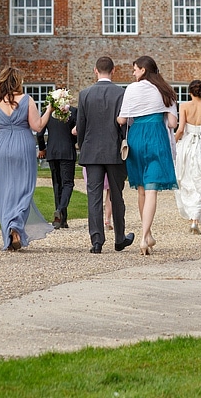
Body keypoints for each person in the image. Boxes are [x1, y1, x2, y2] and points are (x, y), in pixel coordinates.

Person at [0, 67, 53, 251]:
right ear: (17, 81)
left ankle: (9, 229)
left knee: (5, 189)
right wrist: (50, 109)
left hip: (3, 146)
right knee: (24, 188)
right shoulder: (27, 100)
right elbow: (37, 126)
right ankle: (16, 225)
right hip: (23, 145)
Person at [117, 56, 178, 255]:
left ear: (143, 70)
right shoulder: (165, 90)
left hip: (136, 138)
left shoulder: (132, 89)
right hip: (156, 137)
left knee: (142, 189)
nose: (133, 73)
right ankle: (145, 237)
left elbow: (122, 119)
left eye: (135, 69)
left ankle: (147, 233)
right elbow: (172, 124)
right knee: (152, 190)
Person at [76, 57, 135, 254]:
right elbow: (125, 125)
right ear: (113, 70)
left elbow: (81, 125)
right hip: (115, 151)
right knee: (117, 196)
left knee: (93, 196)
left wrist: (83, 145)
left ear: (95, 70)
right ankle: (119, 238)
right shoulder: (121, 93)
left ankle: (96, 240)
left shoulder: (85, 94)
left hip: (91, 151)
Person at [173, 79, 201, 234]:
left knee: (187, 179)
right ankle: (195, 218)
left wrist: (173, 143)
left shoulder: (184, 106)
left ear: (190, 92)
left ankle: (192, 218)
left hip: (188, 145)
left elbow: (181, 129)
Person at [36, 100, 77, 229]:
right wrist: (74, 142)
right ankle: (60, 210)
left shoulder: (48, 111)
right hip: (67, 151)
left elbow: (39, 133)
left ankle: (61, 220)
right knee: (68, 183)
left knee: (57, 184)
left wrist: (42, 148)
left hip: (52, 151)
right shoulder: (74, 112)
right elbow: (78, 131)